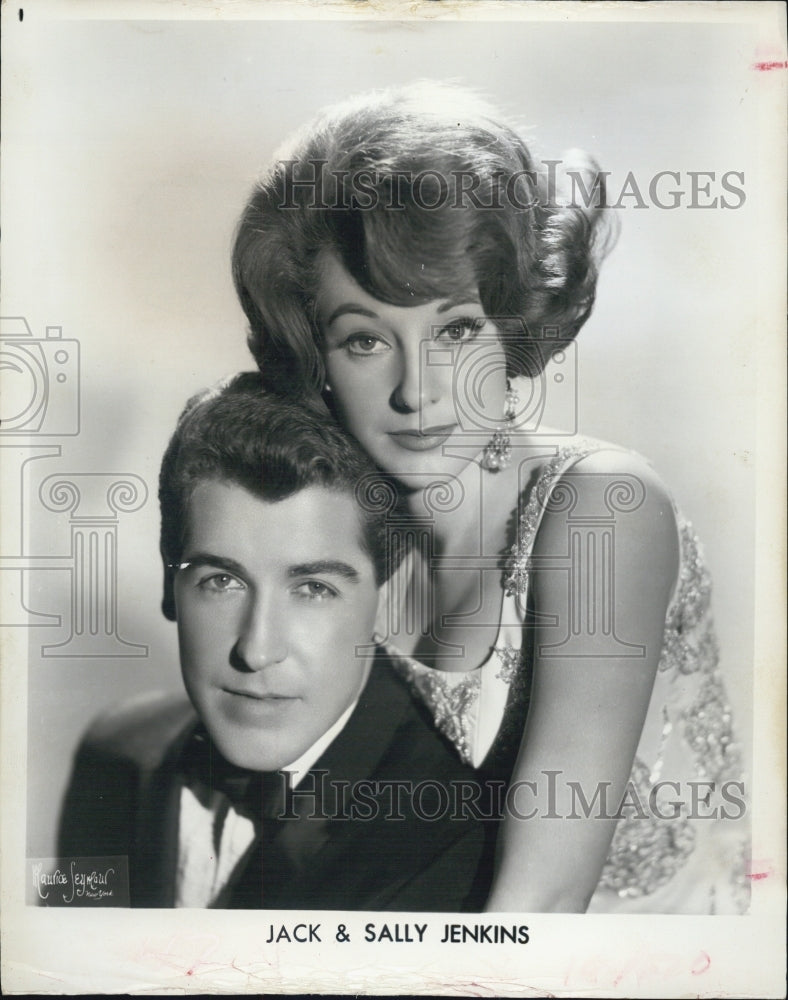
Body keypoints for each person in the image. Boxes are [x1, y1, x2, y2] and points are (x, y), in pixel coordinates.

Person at [231, 82, 750, 913]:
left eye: (456, 330)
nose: (418, 392)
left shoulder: (601, 509)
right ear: (315, 357)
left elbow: (541, 903)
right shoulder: (347, 545)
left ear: (513, 323)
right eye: (364, 340)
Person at [57, 373, 499, 909]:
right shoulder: (114, 752)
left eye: (313, 589)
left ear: (385, 598)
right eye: (221, 582)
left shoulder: (458, 833)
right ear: (169, 583)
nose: (257, 649)